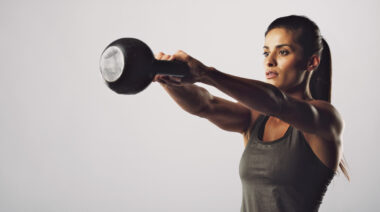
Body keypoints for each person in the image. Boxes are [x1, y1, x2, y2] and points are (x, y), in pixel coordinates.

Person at [153, 15, 350, 212]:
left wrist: (206, 73)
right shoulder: (255, 117)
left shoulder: (326, 119)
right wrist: (164, 76)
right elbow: (206, 105)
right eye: (266, 53)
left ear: (312, 62)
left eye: (283, 52)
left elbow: (278, 103)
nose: (270, 61)